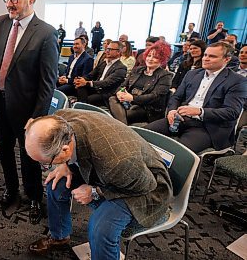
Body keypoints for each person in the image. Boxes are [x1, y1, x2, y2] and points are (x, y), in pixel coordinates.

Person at [25, 110, 172, 258]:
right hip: (109, 168)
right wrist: (64, 164)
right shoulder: (60, 118)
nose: (45, 167)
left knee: (101, 228)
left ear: (65, 150)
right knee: (55, 185)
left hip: (144, 188)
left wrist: (94, 192)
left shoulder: (117, 161)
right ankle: (60, 236)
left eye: (45, 164)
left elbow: (145, 185)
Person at [0, 0, 58, 225]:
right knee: (4, 151)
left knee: (29, 157)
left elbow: (47, 83)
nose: (9, 4)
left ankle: (33, 197)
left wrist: (38, 117)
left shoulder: (46, 34)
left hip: (28, 110)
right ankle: (11, 190)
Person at [146, 42, 247, 153]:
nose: (206, 59)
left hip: (208, 127)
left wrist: (199, 111)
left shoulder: (237, 81)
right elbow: (176, 97)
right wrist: (172, 110)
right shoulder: (192, 74)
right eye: (205, 55)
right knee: (141, 134)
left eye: (212, 56)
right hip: (180, 118)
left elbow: (232, 112)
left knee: (176, 152)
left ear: (226, 59)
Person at [109, 42, 173, 124]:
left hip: (147, 109)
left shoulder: (165, 76)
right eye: (149, 56)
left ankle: (122, 127)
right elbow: (123, 85)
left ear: (162, 60)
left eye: (155, 57)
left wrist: (132, 98)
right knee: (112, 99)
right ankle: (123, 127)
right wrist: (119, 92)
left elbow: (155, 97)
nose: (150, 59)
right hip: (128, 102)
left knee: (120, 114)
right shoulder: (137, 70)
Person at [74, 41, 127, 107]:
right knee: (80, 87)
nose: (107, 51)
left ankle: (82, 107)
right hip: (96, 88)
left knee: (89, 99)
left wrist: (87, 83)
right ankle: (82, 107)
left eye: (110, 49)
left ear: (118, 52)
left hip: (106, 93)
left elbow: (106, 82)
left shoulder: (121, 68)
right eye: (107, 49)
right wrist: (81, 79)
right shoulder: (103, 63)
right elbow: (91, 75)